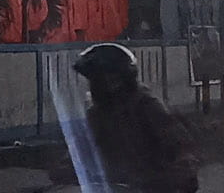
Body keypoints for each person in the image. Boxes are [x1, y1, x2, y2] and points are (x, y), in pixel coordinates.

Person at [72, 42, 201, 193]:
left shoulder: (146, 106)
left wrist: (183, 168)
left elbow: (179, 143)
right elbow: (80, 148)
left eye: (100, 79)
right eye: (93, 81)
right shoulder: (96, 114)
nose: (94, 86)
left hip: (153, 186)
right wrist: (66, 167)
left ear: (119, 80)